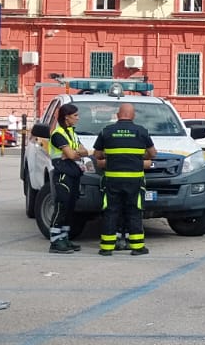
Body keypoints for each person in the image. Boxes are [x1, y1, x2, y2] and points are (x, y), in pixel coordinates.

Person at [92, 103, 156, 256]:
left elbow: (97, 155)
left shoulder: (106, 131)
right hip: (134, 181)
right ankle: (137, 247)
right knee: (134, 212)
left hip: (112, 180)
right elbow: (152, 154)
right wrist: (137, 157)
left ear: (118, 115)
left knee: (111, 212)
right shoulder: (141, 131)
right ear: (133, 116)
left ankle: (107, 248)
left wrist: (112, 157)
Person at [46, 104, 86, 254]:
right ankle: (55, 242)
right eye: (75, 115)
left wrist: (75, 152)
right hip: (62, 172)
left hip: (73, 172)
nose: (78, 118)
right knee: (61, 206)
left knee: (70, 207)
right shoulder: (58, 134)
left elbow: (82, 151)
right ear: (66, 117)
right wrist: (74, 153)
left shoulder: (72, 133)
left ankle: (64, 238)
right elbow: (71, 155)